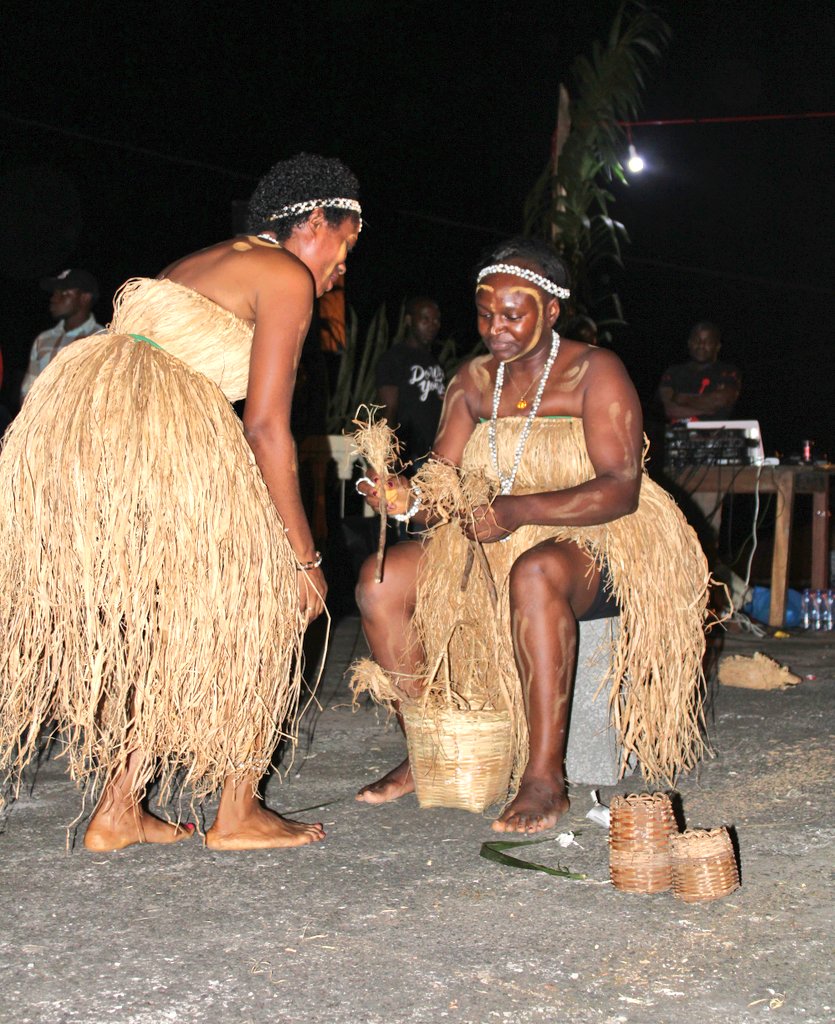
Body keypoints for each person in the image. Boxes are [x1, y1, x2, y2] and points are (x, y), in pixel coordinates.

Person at [0, 153, 361, 852]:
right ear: (315, 219)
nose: (346, 262)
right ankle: (236, 812)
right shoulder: (285, 276)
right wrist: (302, 554)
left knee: (175, 627)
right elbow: (264, 426)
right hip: (153, 446)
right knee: (270, 604)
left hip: (95, 442)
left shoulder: (201, 262)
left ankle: (118, 809)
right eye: (347, 239)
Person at [354, 237, 709, 833]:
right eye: (486, 314)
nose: (497, 327)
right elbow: (441, 489)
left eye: (513, 315)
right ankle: (430, 746)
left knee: (536, 569)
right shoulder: (471, 380)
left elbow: (620, 487)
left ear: (550, 311)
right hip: (495, 532)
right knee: (379, 579)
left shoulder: (594, 371)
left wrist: (517, 510)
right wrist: (405, 499)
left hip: (598, 539)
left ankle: (546, 777)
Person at [374, 296, 446, 473]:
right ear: (408, 320)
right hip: (408, 454)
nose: (432, 325)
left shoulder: (434, 362)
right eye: (425, 319)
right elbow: (388, 408)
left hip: (434, 453)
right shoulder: (394, 358)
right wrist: (389, 453)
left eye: (436, 320)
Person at [20, 269, 105, 403]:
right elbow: (27, 392)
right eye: (55, 292)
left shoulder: (104, 340)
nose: (54, 298)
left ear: (84, 298)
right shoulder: (43, 340)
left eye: (64, 293)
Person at [657, 321, 740, 422]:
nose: (701, 345)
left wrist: (682, 398)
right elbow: (670, 410)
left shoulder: (728, 372)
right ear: (689, 343)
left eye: (708, 341)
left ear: (717, 346)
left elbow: (721, 400)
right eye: (697, 340)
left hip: (716, 435)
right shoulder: (673, 373)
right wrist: (707, 409)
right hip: (678, 434)